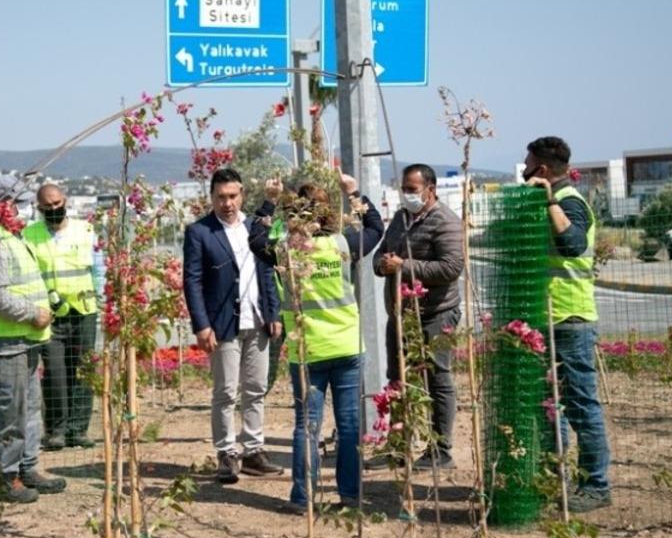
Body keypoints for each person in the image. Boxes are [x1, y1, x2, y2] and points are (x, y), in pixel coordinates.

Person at [250, 175, 384, 509]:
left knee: (306, 427)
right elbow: (376, 227)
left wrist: (270, 201)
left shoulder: (286, 250)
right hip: (347, 346)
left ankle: (303, 497)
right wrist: (353, 192)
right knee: (350, 425)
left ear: (294, 215)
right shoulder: (343, 244)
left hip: (307, 351)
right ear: (327, 214)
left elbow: (255, 238)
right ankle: (351, 495)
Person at [523, 136, 612, 512]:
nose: (523, 169)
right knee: (549, 406)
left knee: (580, 405)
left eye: (527, 164)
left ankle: (596, 485)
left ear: (542, 170)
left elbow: (572, 245)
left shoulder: (571, 202)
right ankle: (552, 477)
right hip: (544, 318)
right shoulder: (541, 202)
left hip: (570, 319)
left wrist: (549, 200)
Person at [182, 168, 284, 484]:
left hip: (257, 320)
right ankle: (227, 452)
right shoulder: (200, 232)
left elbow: (268, 269)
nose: (228, 203)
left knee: (255, 389)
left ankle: (253, 450)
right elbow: (192, 281)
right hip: (223, 323)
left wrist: (274, 312)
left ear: (241, 195)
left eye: (233, 196)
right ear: (211, 198)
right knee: (225, 392)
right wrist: (201, 324)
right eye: (221, 197)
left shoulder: (255, 226)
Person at [0, 175, 67, 503]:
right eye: (17, 204)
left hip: (23, 340)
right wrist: (32, 313)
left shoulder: (10, 236)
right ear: (2, 206)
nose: (23, 211)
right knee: (9, 413)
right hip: (3, 342)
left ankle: (28, 467)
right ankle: (6, 478)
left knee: (29, 409)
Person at [372, 163, 464, 469]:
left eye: (412, 190)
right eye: (404, 189)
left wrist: (404, 266)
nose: (406, 195)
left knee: (436, 378)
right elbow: (382, 253)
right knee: (398, 379)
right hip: (400, 314)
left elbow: (451, 268)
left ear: (430, 189)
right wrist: (381, 264)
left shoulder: (446, 222)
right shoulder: (400, 218)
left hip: (435, 313)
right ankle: (398, 446)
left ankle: (441, 450)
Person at [25, 182, 103, 451]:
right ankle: (56, 430)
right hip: (50, 316)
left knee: (83, 370)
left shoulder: (85, 230)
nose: (54, 209)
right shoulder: (30, 235)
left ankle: (78, 429)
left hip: (83, 311)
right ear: (39, 208)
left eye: (57, 204)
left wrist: (101, 301)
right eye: (47, 206)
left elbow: (98, 270)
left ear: (65, 201)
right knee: (55, 373)